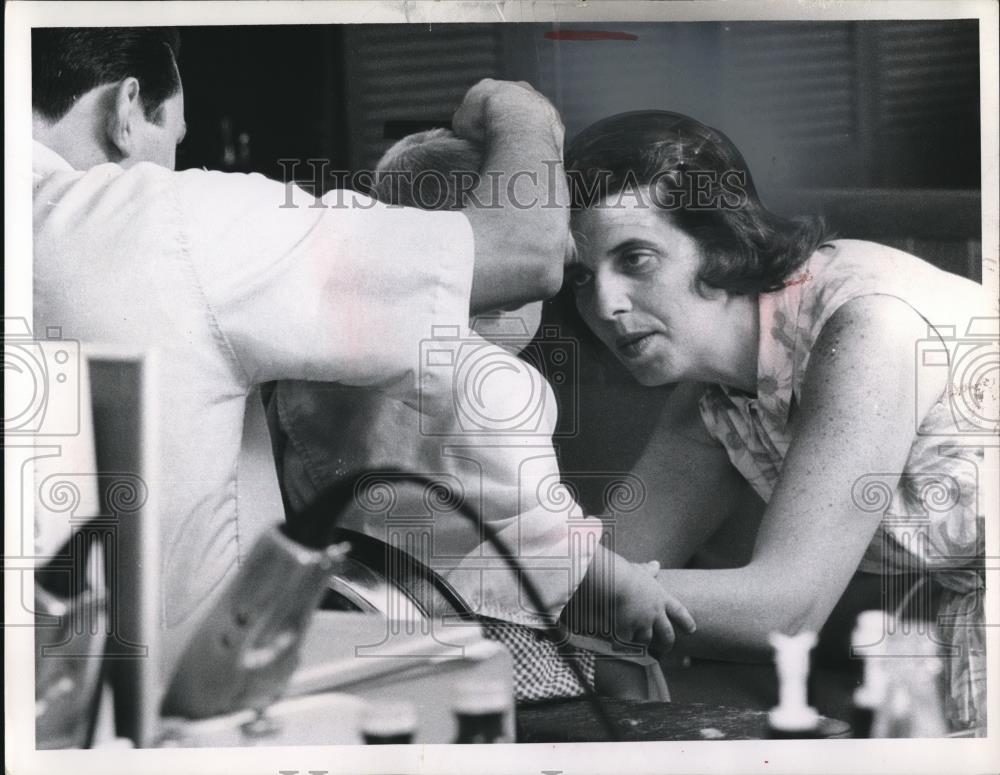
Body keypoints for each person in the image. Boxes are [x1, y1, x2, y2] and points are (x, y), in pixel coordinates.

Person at [31, 27, 575, 684]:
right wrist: (523, 111)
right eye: (173, 139)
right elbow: (526, 251)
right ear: (125, 110)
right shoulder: (173, 221)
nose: (175, 164)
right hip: (179, 706)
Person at [562, 109, 995, 734]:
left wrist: (546, 574)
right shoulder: (714, 390)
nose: (604, 304)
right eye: (582, 275)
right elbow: (612, 562)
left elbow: (788, 609)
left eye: (636, 259)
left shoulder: (867, 326)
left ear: (718, 243)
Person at [270, 127, 695, 700]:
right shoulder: (496, 385)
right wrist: (623, 586)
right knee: (632, 681)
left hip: (352, 623)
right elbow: (537, 529)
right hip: (478, 639)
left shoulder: (318, 368)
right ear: (515, 270)